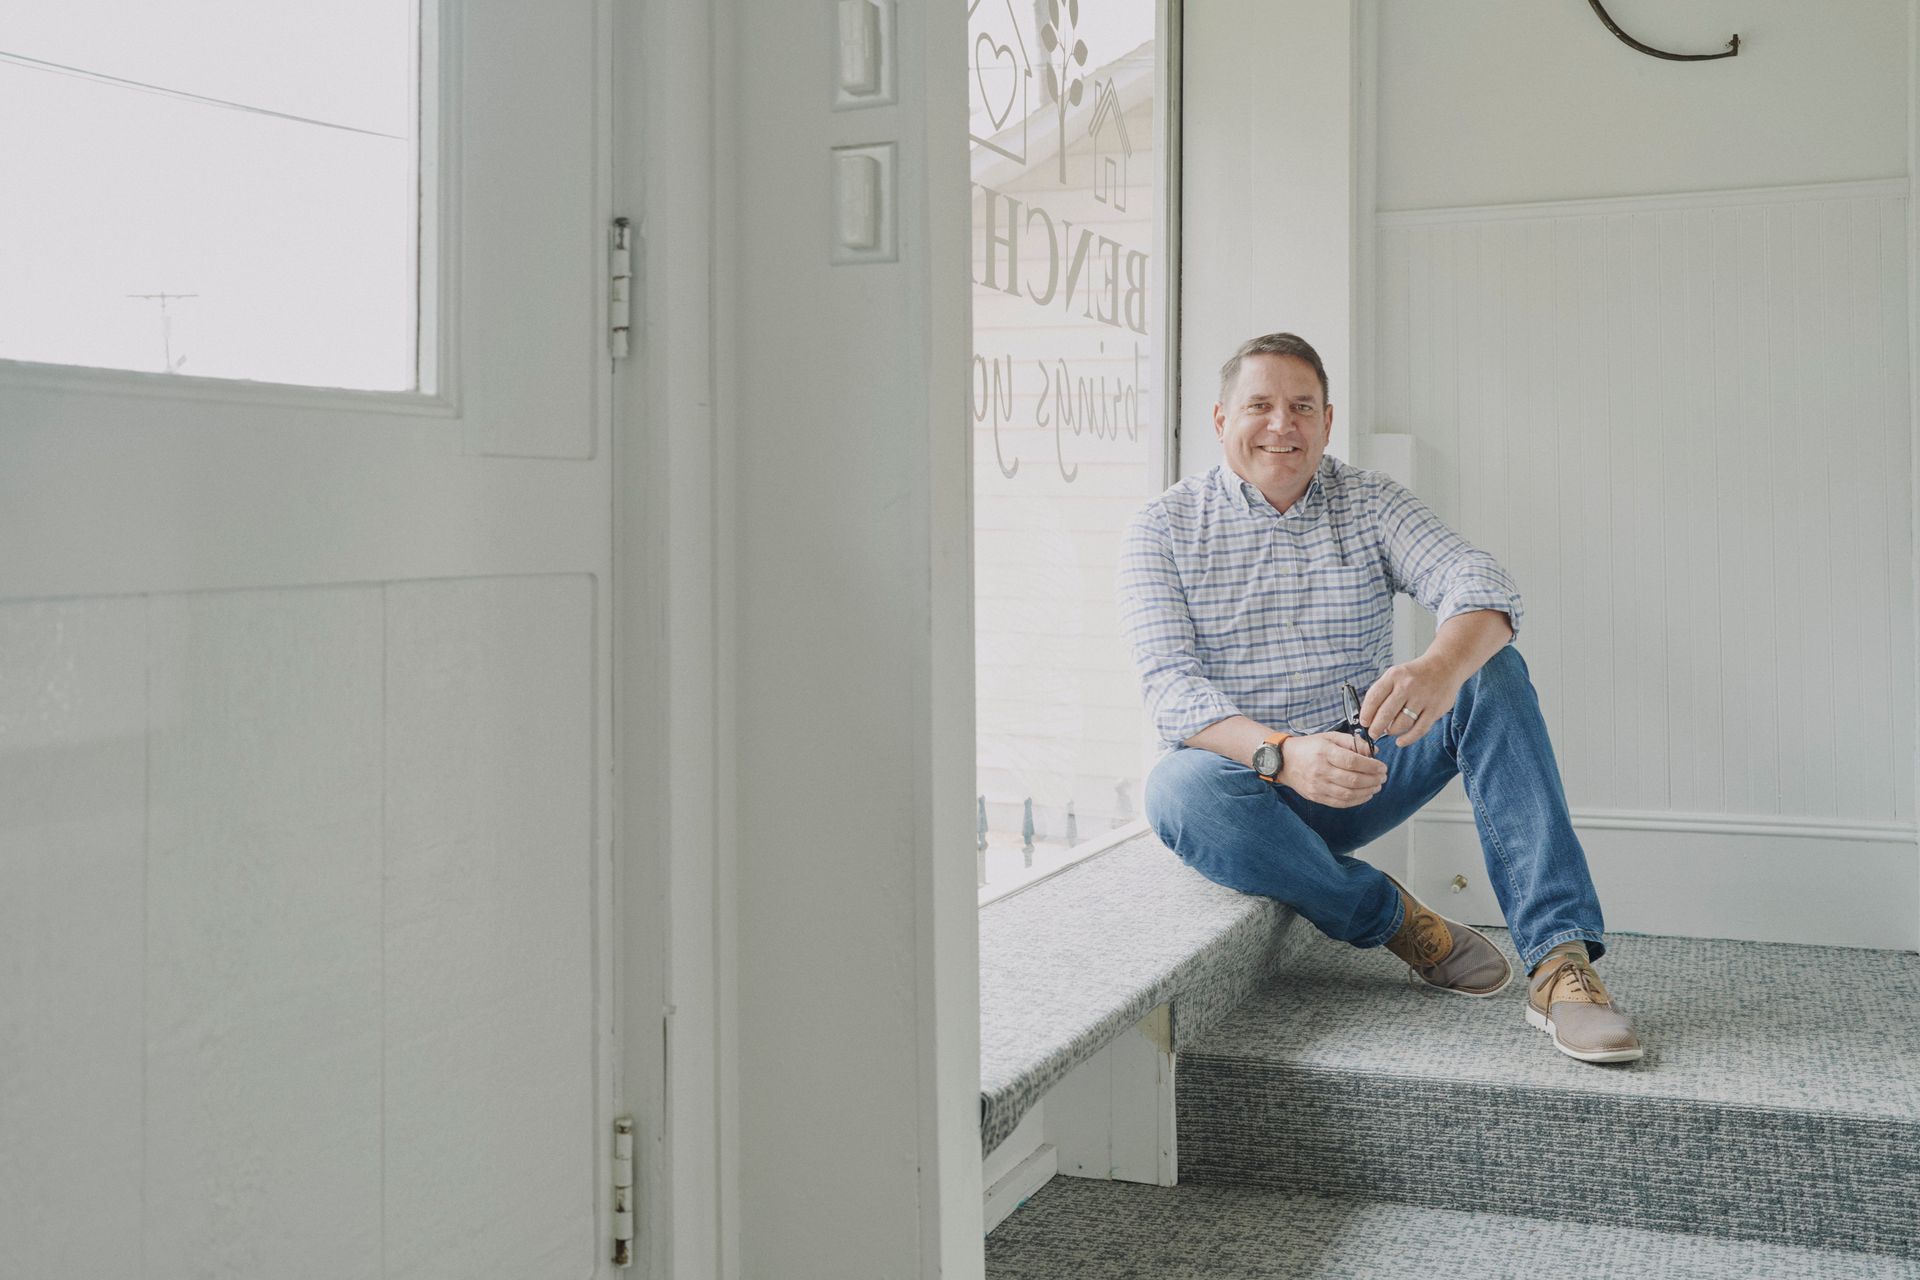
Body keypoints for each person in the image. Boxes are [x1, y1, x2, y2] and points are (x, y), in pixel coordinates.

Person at [1118, 332, 1641, 1064]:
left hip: (1368, 759)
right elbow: (1170, 691)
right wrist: (1284, 754)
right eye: (1259, 405)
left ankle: (1560, 964)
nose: (1281, 425)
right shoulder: (1162, 527)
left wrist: (1437, 667)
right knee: (1175, 790)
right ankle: (1394, 919)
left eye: (1302, 407)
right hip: (1245, 783)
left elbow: (1481, 582)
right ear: (1219, 420)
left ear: (1327, 422)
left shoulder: (1367, 502)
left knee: (1492, 670)